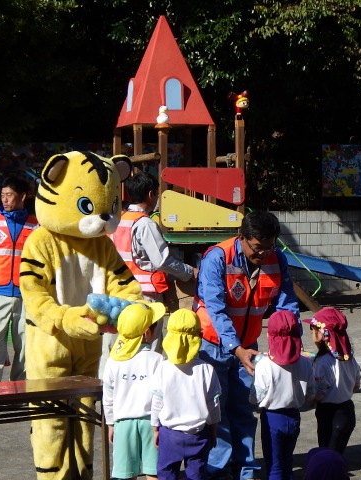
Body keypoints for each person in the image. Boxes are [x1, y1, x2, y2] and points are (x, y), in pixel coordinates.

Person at [193, 210, 300, 480]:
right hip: (213, 345)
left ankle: (246, 469)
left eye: (269, 247)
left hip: (249, 346)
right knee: (217, 411)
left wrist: (290, 341)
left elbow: (286, 304)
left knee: (244, 408)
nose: (263, 254)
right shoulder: (217, 258)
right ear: (241, 237)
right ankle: (218, 471)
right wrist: (236, 348)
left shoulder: (277, 259)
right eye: (258, 247)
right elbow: (215, 308)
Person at [103, 171, 197, 374]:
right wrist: (190, 272)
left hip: (119, 293)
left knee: (123, 343)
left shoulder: (119, 221)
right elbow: (162, 260)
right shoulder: (144, 224)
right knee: (150, 347)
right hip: (145, 296)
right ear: (151, 194)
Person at [0, 176, 37, 383]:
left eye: (9, 195)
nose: (5, 199)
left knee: (26, 345)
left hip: (26, 294)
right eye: (2, 195)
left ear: (23, 196)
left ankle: (21, 390)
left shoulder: (36, 226)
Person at [150, 309, 221, 480]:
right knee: (197, 474)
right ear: (199, 337)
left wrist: (155, 428)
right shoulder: (207, 369)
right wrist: (213, 431)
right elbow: (214, 405)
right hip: (198, 435)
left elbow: (157, 402)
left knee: (166, 474)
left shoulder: (163, 368)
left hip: (169, 434)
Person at [102, 302, 166, 480]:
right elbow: (163, 394)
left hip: (123, 423)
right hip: (152, 423)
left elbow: (108, 396)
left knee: (125, 474)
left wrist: (110, 423)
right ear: (147, 332)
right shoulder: (157, 360)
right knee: (154, 472)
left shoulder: (113, 361)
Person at [249, 310, 315, 480]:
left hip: (272, 418)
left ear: (269, 335)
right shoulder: (305, 362)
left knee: (274, 465)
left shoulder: (264, 365)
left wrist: (252, 400)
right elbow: (311, 393)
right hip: (294, 416)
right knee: (287, 462)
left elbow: (256, 396)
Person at [303, 307, 361, 454]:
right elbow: (356, 385)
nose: (311, 333)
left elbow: (319, 392)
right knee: (338, 452)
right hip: (347, 410)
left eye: (312, 330)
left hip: (329, 414)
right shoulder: (349, 358)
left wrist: (308, 400)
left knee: (327, 454)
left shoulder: (322, 362)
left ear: (322, 333)